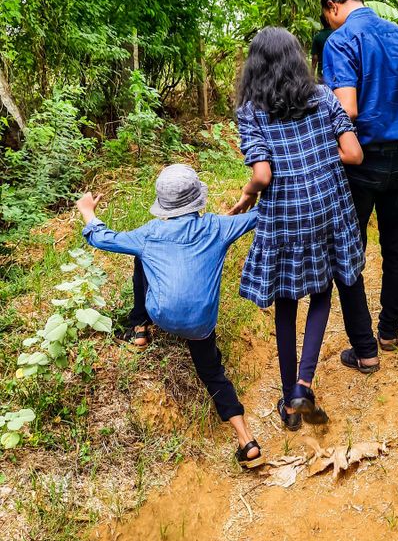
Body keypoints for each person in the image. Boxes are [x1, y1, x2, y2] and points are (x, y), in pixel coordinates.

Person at [76, 164, 265, 469]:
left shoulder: (149, 234)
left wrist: (87, 210)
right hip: (201, 323)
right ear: (197, 199)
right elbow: (260, 217)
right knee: (212, 372)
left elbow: (102, 238)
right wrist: (256, 192)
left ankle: (139, 327)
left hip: (161, 315)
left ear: (162, 204)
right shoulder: (218, 227)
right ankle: (247, 440)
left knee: (141, 259)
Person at [230, 27, 365, 431]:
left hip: (285, 215)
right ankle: (304, 384)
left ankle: (291, 404)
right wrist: (317, 163)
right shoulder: (323, 96)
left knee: (286, 302)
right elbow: (354, 153)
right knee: (322, 290)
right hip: (326, 204)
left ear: (255, 66)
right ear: (296, 59)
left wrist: (247, 194)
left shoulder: (252, 111)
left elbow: (263, 175)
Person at [321, 0, 398, 371]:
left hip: (360, 162)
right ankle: (389, 332)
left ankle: (364, 348)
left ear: (333, 7)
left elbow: (346, 109)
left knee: (349, 253)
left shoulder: (342, 40)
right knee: (395, 249)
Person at [311, 14, 333, 82]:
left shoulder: (317, 37)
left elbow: (315, 58)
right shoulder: (337, 33)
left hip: (322, 71)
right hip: (336, 70)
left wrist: (311, 76)